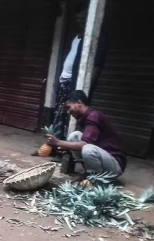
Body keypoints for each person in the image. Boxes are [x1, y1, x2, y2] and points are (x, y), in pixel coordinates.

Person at [33, 0, 108, 157]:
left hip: (76, 87)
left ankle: (64, 152)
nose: (80, 22)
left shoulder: (96, 38)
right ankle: (51, 148)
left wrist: (85, 90)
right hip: (65, 83)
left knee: (70, 122)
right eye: (78, 19)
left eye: (83, 18)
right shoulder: (78, 36)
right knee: (59, 119)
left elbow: (97, 66)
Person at [44, 90, 126, 177]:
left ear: (79, 103)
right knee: (74, 136)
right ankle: (89, 171)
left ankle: (95, 179)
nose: (68, 112)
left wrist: (58, 142)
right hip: (104, 158)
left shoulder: (93, 116)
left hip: (115, 165)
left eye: (69, 107)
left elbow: (85, 144)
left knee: (87, 148)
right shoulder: (84, 118)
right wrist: (65, 147)